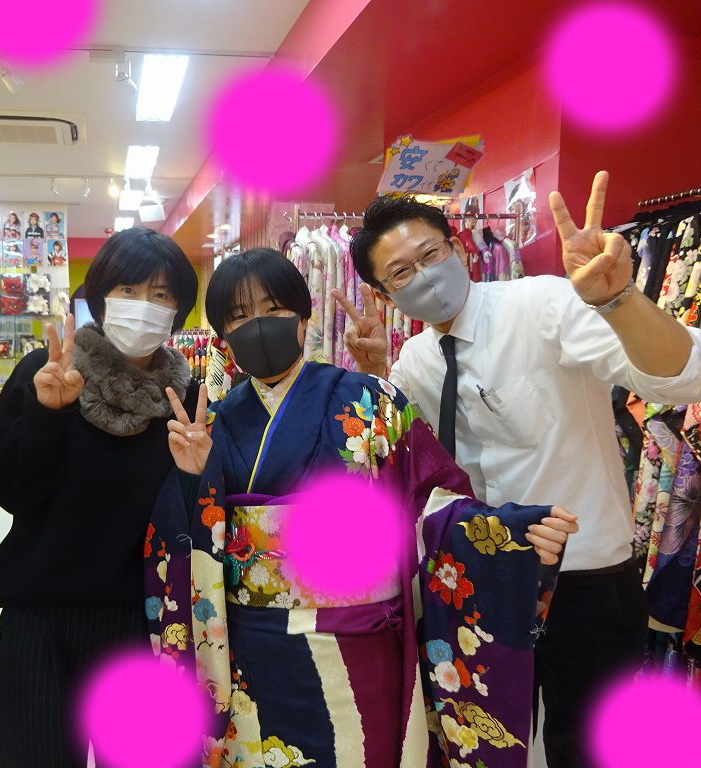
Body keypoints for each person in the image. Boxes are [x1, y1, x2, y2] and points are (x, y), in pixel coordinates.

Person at [148, 247, 578, 768]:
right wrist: (195, 479)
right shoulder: (212, 425)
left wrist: (507, 533)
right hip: (255, 652)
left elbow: (429, 502)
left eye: (273, 308)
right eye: (239, 317)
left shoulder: (372, 400)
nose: (258, 325)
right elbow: (184, 544)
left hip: (361, 643)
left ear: (304, 318)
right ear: (224, 336)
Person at [338, 171, 701, 768]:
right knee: (488, 743)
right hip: (485, 580)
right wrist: (375, 375)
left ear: (458, 249)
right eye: (400, 273)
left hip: (585, 580)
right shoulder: (416, 361)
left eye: (430, 254)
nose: (423, 275)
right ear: (384, 294)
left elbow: (681, 379)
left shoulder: (543, 305)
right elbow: (406, 462)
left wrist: (619, 301)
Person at [0, 226, 200, 767]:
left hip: (143, 626)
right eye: (128, 289)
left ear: (178, 311)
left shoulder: (185, 396)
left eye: (161, 294)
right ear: (100, 295)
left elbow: (191, 517)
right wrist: (47, 416)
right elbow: (6, 487)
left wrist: (197, 475)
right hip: (40, 623)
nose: (143, 305)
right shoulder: (49, 370)